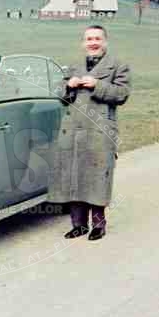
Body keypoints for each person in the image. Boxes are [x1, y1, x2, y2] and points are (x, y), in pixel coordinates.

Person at [48, 25, 131, 241]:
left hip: (99, 130)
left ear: (105, 42)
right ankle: (78, 225)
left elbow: (122, 94)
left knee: (97, 176)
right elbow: (59, 95)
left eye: (97, 39)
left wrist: (97, 84)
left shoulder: (118, 65)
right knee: (74, 175)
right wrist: (69, 85)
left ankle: (98, 226)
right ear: (83, 43)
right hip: (73, 130)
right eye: (89, 39)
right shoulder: (74, 66)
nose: (93, 42)